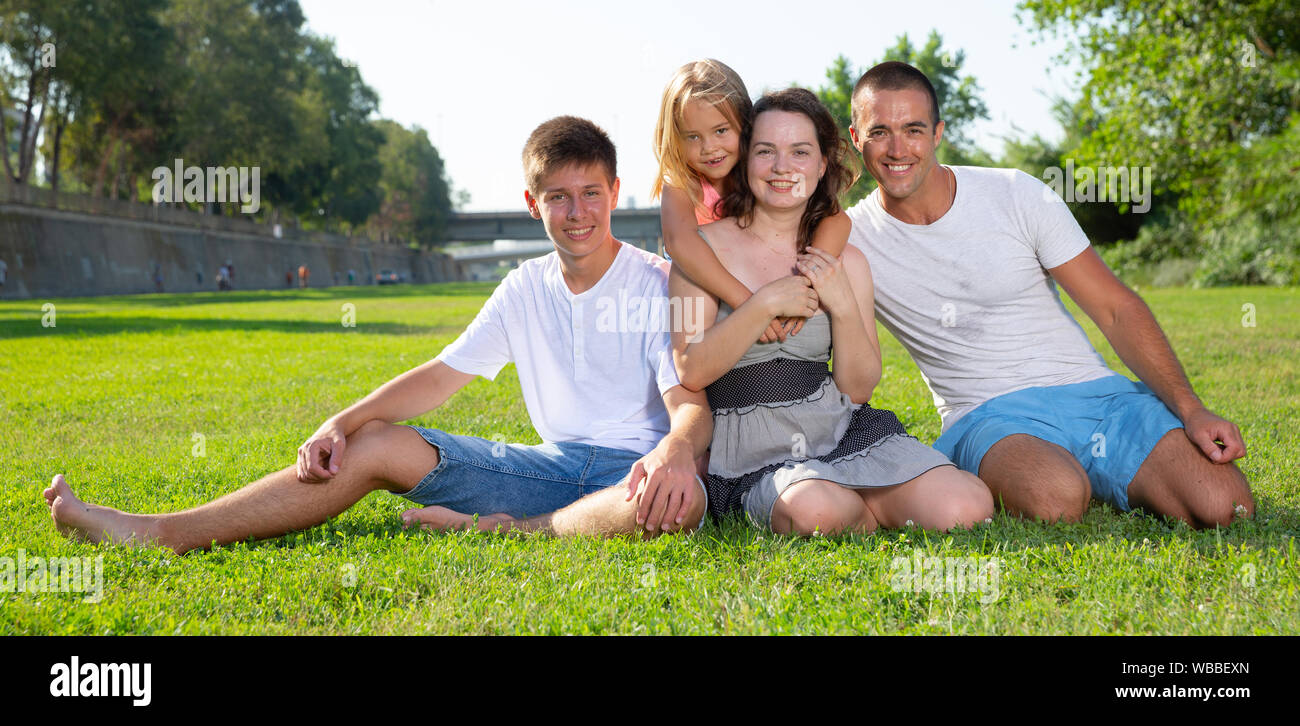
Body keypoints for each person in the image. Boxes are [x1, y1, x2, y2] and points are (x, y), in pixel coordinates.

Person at [44, 116, 711, 552]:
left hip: (634, 476)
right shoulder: (522, 287)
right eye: (559, 197)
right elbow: (441, 376)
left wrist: (675, 453)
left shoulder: (658, 282)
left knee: (674, 504)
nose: (577, 213)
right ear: (533, 204)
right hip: (545, 470)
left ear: (617, 192)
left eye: (591, 193)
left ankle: (513, 533)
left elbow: (690, 401)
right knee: (371, 444)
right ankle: (163, 532)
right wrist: (342, 419)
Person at [844, 61, 1253, 528]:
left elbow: (1115, 308)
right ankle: (1068, 472)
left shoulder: (1015, 193)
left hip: (1095, 395)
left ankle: (1105, 465)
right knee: (1054, 499)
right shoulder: (851, 237)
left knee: (1228, 507)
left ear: (937, 133)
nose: (898, 149)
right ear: (856, 139)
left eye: (913, 129)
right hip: (988, 416)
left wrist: (1191, 409)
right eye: (880, 132)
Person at [670, 88, 993, 536]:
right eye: (766, 151)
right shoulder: (701, 252)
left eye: (800, 152)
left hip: (838, 427)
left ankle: (869, 499)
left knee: (967, 505)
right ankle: (856, 506)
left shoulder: (847, 260)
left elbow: (857, 389)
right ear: (746, 161)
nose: (783, 167)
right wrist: (763, 303)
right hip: (754, 444)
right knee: (817, 510)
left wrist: (841, 306)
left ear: (822, 165)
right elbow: (691, 368)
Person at [652, 59, 850, 345]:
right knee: (679, 377)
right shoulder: (682, 179)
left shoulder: (760, 169)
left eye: (721, 131)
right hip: (700, 288)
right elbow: (679, 241)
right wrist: (748, 303)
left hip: (756, 277)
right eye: (693, 137)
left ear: (746, 125)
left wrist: (807, 282)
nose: (709, 148)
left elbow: (836, 218)